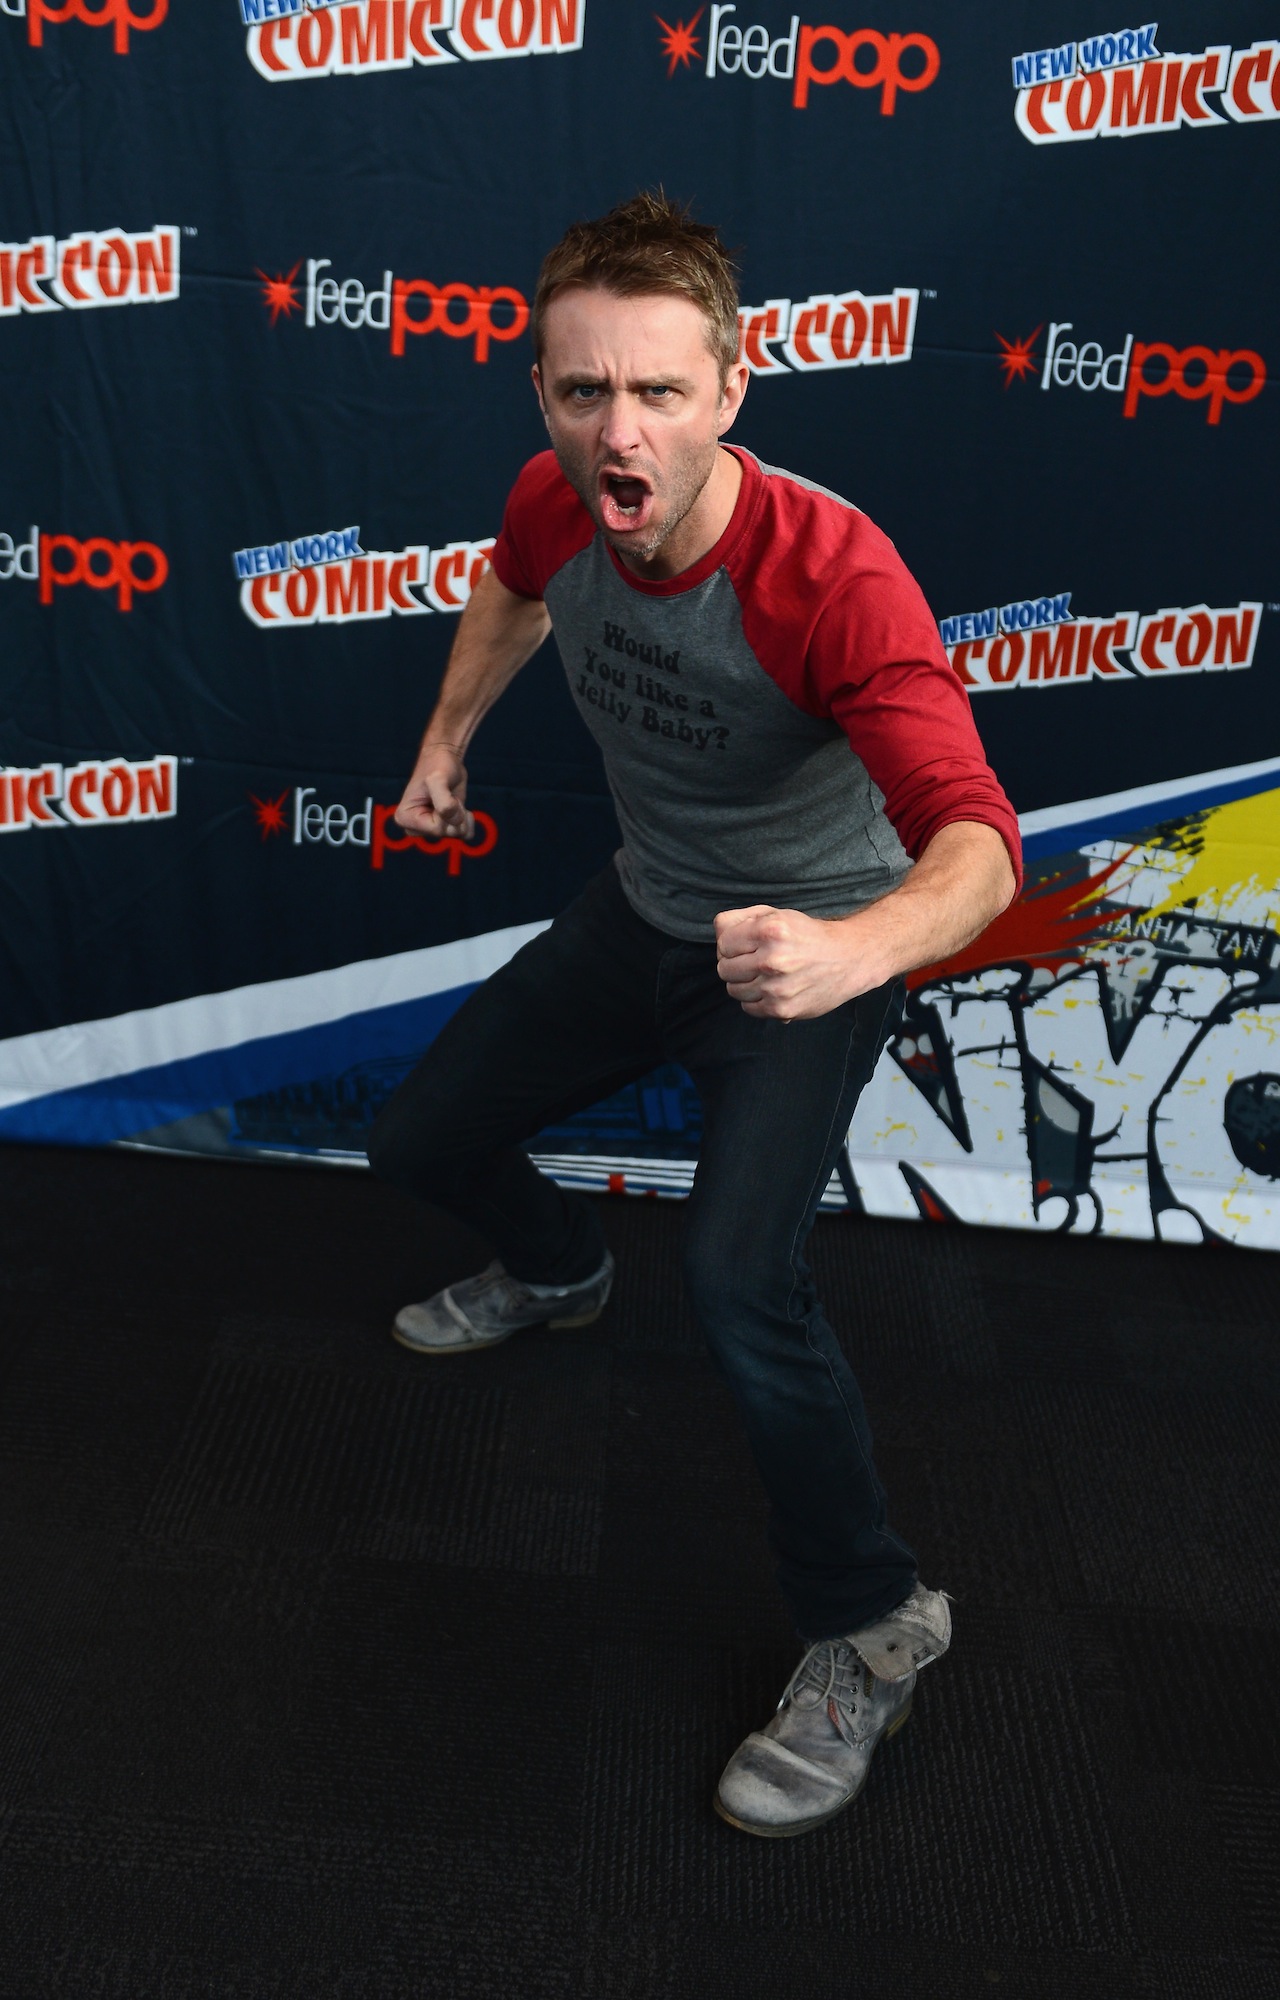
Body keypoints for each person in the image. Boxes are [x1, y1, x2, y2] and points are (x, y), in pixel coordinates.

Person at [367, 192, 1021, 1839]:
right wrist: (447, 738)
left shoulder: (832, 577)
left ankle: (873, 1626)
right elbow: (512, 589)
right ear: (541, 393)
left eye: (660, 392)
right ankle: (561, 1267)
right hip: (643, 907)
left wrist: (851, 955)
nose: (621, 433)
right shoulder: (554, 500)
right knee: (420, 1137)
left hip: (803, 948)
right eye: (586, 391)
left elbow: (978, 845)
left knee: (740, 1282)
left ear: (731, 390)